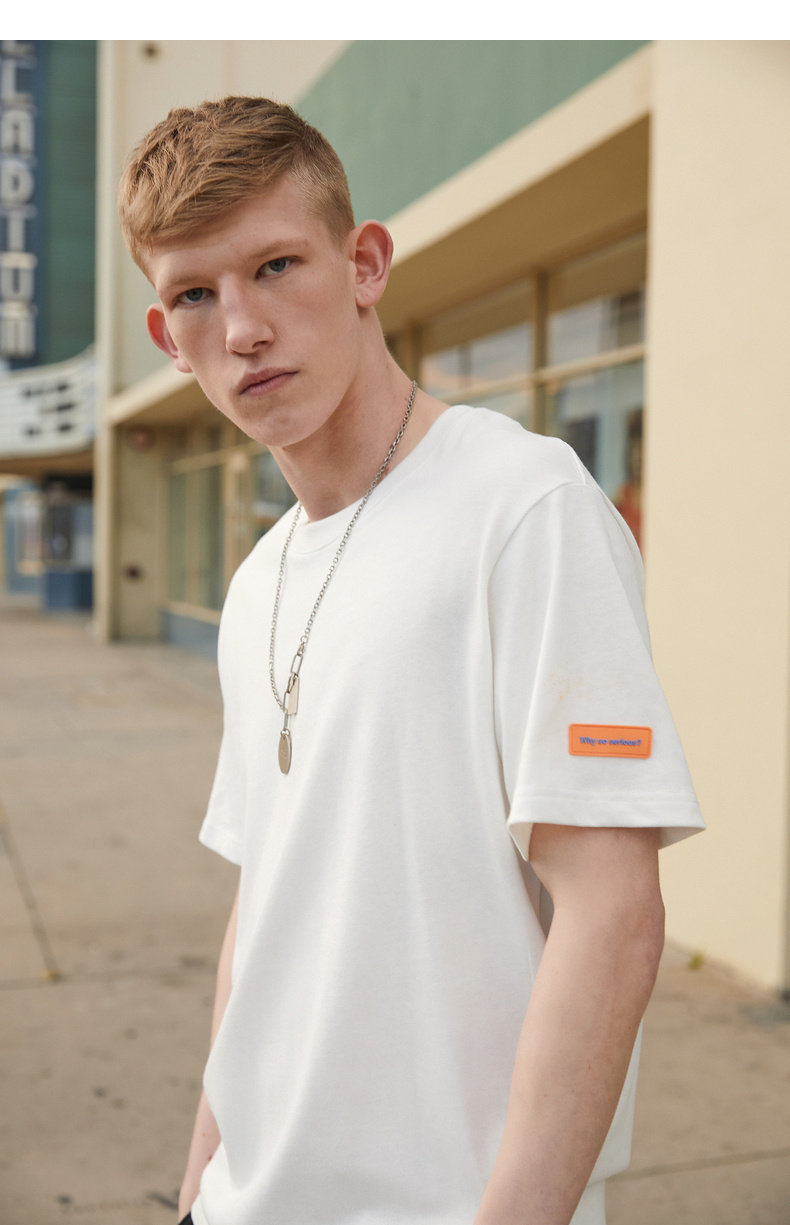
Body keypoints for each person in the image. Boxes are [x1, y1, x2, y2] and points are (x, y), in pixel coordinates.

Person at [118, 96, 703, 1225]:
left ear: (365, 264)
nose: (242, 327)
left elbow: (613, 913)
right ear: (167, 338)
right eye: (194, 294)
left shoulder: (522, 506)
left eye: (276, 266)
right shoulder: (257, 581)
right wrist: (198, 1183)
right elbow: (264, 910)